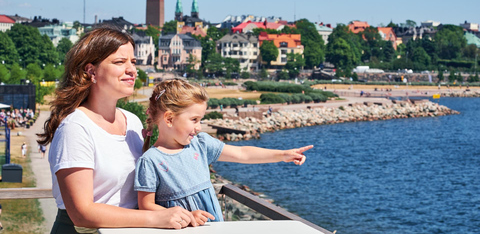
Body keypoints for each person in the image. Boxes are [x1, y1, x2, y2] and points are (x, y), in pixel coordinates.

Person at [37, 28, 197, 234]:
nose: (132, 70)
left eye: (134, 62)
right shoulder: (75, 128)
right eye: (120, 62)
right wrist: (157, 217)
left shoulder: (131, 121)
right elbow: (81, 213)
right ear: (91, 71)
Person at [135, 79, 313, 225]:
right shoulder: (151, 161)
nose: (199, 127)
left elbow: (242, 153)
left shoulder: (200, 144)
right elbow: (146, 205)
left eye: (201, 120)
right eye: (194, 119)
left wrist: (282, 155)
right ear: (169, 118)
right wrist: (187, 217)